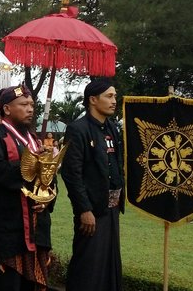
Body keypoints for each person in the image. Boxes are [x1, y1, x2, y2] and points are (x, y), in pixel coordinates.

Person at [0, 85, 54, 290]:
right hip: (7, 227)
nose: (30, 109)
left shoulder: (34, 139)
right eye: (23, 104)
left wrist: (45, 199)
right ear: (6, 109)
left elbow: (48, 178)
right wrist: (30, 166)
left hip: (36, 227)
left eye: (31, 105)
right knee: (5, 283)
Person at [61, 78, 124, 291]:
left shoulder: (113, 128)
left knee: (109, 262)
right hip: (92, 211)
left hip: (112, 209)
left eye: (114, 96)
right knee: (88, 264)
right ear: (93, 100)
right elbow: (71, 174)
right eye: (109, 96)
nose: (114, 100)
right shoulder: (77, 129)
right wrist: (84, 209)